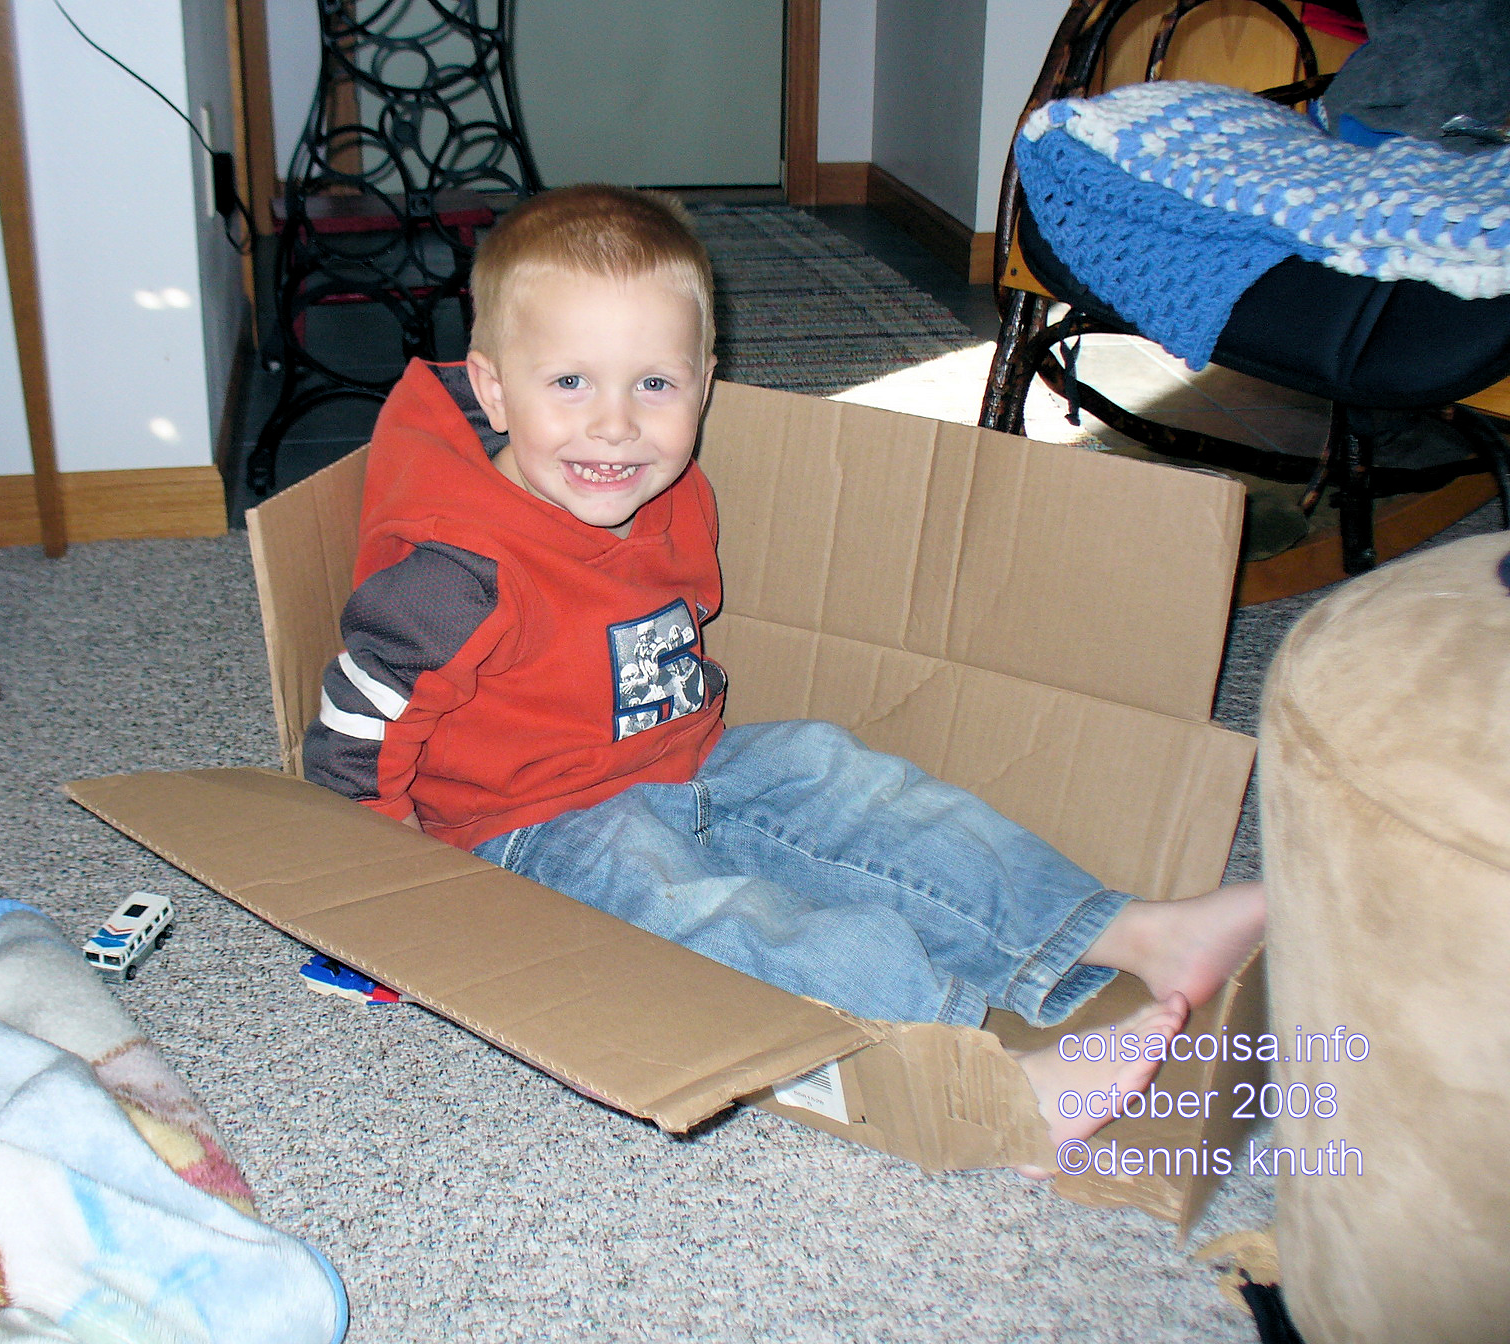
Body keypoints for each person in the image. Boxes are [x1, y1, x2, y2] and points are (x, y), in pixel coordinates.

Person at [303, 184, 1265, 1171]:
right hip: (533, 831)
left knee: (857, 788)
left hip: (688, 758)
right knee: (733, 926)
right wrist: (385, 891)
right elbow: (353, 728)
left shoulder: (671, 493)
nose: (615, 428)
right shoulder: (451, 573)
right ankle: (980, 1088)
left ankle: (1126, 934)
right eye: (569, 385)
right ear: (494, 390)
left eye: (654, 386)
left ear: (706, 384)